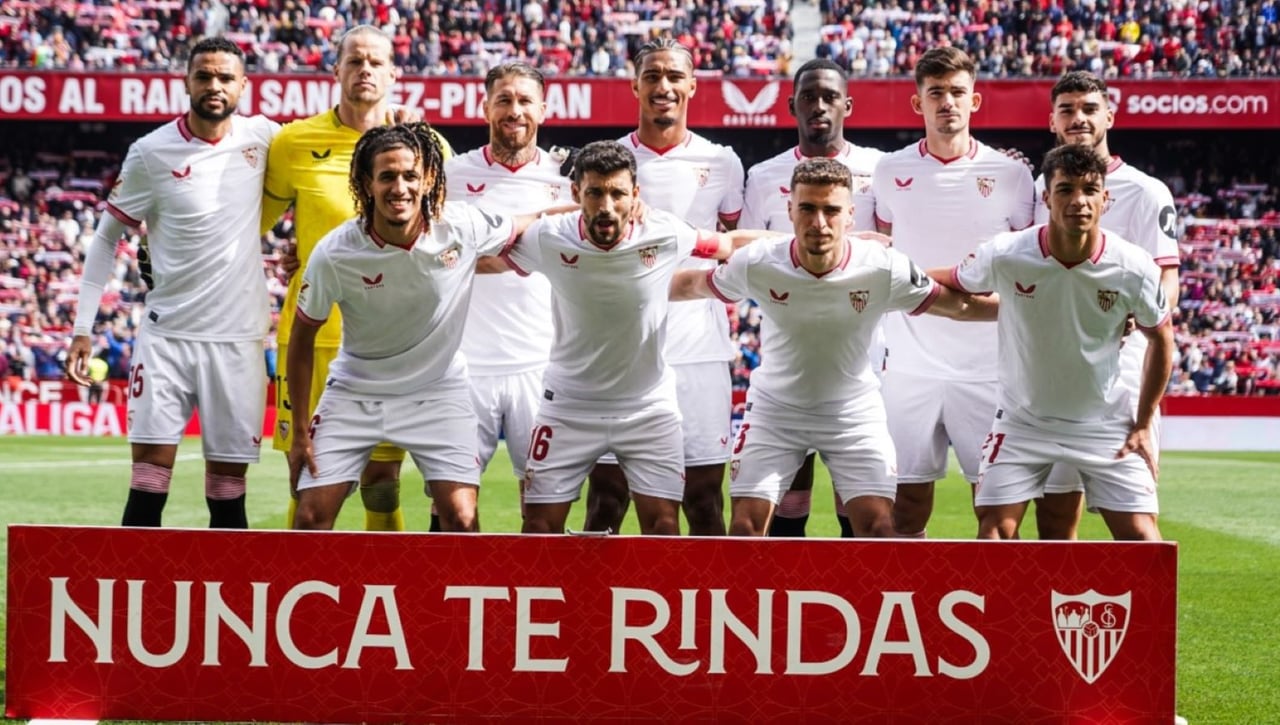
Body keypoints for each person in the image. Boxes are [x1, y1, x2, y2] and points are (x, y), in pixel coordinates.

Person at [671, 158, 995, 537]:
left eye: (831, 210)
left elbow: (958, 305)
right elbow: (688, 285)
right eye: (807, 208)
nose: (819, 223)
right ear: (790, 210)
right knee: (744, 530)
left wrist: (1032, 306)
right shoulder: (757, 262)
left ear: (851, 216)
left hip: (852, 412)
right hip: (776, 411)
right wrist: (619, 283)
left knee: (878, 531)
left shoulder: (882, 268)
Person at [286, 123, 542, 531]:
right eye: (387, 176)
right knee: (311, 515)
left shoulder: (461, 226)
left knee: (461, 517)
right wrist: (300, 432)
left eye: (409, 176)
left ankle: (456, 596)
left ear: (427, 181)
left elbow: (529, 221)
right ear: (367, 183)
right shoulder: (336, 252)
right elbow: (301, 339)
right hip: (356, 392)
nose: (399, 187)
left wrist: (588, 208)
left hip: (438, 391)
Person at [66, 37, 278, 528]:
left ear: (244, 85)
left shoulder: (265, 137)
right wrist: (82, 328)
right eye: (204, 76)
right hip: (167, 339)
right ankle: (128, 603)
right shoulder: (151, 152)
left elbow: (324, 158)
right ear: (186, 82)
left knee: (228, 494)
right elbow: (105, 240)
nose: (214, 86)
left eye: (226, 77)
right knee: (147, 484)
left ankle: (228, 603)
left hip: (236, 340)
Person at [505, 140, 759, 536]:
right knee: (538, 525)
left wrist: (835, 245)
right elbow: (487, 248)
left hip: (648, 410)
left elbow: (728, 246)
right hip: (568, 406)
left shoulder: (665, 231)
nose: (606, 205)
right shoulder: (548, 236)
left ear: (635, 195)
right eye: (594, 193)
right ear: (576, 194)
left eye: (618, 193)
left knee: (663, 527)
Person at [262, 25, 454, 532]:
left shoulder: (428, 146)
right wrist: (292, 249)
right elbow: (253, 220)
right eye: (354, 61)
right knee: (306, 476)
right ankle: (298, 596)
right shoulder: (293, 141)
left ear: (394, 73)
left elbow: (449, 231)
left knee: (382, 483)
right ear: (337, 71)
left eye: (375, 62)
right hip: (313, 335)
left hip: (391, 343)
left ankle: (384, 596)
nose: (364, 70)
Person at [938, 144, 1174, 541]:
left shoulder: (1134, 267)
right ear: (1046, 197)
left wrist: (1145, 420)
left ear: (1105, 198)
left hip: (1104, 423)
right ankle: (1010, 607)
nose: (1078, 201)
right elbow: (953, 279)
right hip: (1023, 422)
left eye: (1089, 189)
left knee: (1145, 542)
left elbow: (1162, 340)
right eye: (1065, 189)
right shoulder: (1007, 253)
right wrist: (890, 275)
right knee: (993, 534)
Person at [867, 47, 1036, 539]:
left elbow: (1023, 263)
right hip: (909, 366)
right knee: (905, 506)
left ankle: (993, 613)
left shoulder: (1011, 174)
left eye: (957, 92)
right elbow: (888, 256)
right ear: (917, 103)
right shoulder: (888, 172)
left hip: (989, 368)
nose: (947, 103)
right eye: (935, 93)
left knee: (996, 511)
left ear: (975, 100)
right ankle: (904, 610)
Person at [584, 39, 745, 536]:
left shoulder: (722, 163)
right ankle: (597, 612)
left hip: (698, 351)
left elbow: (734, 245)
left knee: (702, 500)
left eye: (675, 76)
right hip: (620, 353)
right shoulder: (608, 163)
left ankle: (707, 611)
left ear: (692, 86)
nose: (664, 86)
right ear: (635, 85)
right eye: (652, 76)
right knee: (608, 500)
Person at [1032, 71, 1182, 540]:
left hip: (1124, 372)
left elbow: (1168, 277)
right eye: (1068, 109)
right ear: (1052, 120)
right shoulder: (1042, 186)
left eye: (1089, 108)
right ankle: (1054, 612)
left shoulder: (1146, 190)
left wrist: (1137, 316)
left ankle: (1151, 616)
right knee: (1056, 516)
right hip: (1056, 368)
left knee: (1136, 522)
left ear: (1109, 116)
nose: (1078, 118)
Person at [739, 58, 885, 539]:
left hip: (859, 354)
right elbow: (749, 249)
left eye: (829, 96)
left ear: (848, 104)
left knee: (857, 502)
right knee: (788, 495)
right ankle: (785, 605)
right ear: (792, 106)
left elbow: (891, 248)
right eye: (808, 96)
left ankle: (849, 602)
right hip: (788, 353)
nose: (818, 106)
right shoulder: (763, 176)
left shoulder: (880, 169)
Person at [445, 62, 573, 524]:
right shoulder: (451, 176)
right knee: (454, 514)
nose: (514, 110)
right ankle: (457, 596)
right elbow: (440, 255)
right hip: (463, 364)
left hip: (541, 364)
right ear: (485, 107)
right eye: (503, 99)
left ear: (543, 109)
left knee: (541, 515)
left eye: (524, 101)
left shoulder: (567, 179)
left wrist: (487, 252)